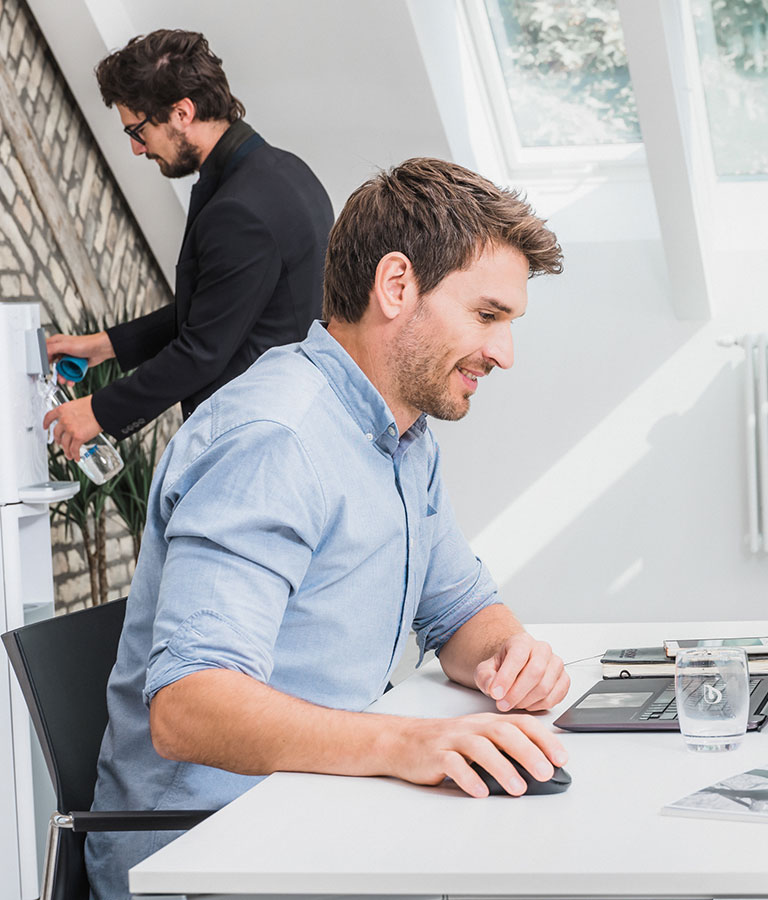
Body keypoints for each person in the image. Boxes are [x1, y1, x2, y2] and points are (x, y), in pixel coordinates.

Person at [85, 157, 567, 899]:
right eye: (487, 316)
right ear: (396, 285)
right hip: (204, 853)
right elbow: (190, 707)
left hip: (314, 812)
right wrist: (408, 743)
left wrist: (511, 653)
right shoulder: (276, 438)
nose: (504, 354)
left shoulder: (403, 437)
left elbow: (459, 610)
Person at [44, 29, 333, 456]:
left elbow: (202, 351)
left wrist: (98, 411)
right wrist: (105, 345)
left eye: (138, 130)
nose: (137, 149)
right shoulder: (286, 172)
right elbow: (218, 305)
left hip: (251, 444)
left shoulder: (240, 210)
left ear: (182, 112)